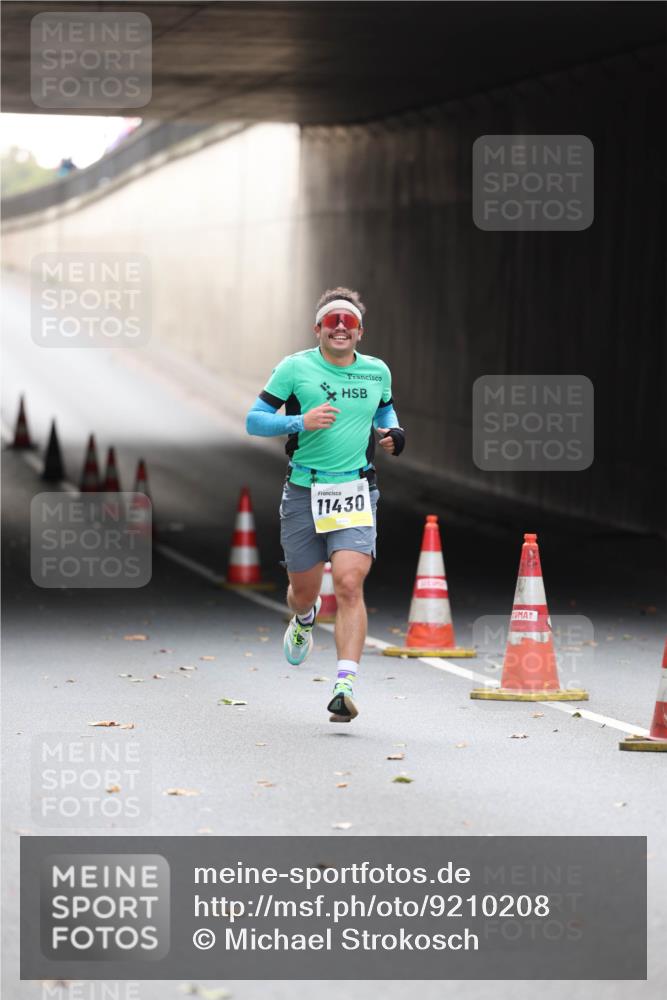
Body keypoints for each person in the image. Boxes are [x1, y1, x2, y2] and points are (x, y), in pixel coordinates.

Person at [246, 287, 405, 723]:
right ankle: (304, 617)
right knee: (304, 591)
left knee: (351, 583)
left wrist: (394, 434)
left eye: (348, 322)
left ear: (360, 332)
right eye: (332, 321)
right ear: (318, 329)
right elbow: (254, 420)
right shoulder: (295, 368)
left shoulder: (376, 372)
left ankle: (344, 685)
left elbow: (385, 413)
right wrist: (301, 420)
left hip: (355, 491)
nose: (340, 327)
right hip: (304, 490)